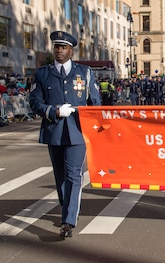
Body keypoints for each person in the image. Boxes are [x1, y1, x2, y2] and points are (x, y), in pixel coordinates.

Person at [29, 31, 101, 238]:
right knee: (60, 175)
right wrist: (54, 111)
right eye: (56, 47)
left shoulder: (85, 73)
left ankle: (68, 220)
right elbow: (35, 102)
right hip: (54, 130)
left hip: (78, 131)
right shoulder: (43, 74)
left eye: (63, 47)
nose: (59, 51)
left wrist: (94, 127)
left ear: (71, 50)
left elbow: (94, 102)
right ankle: (66, 204)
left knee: (73, 174)